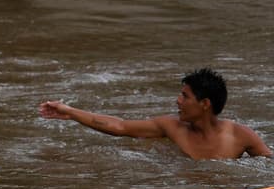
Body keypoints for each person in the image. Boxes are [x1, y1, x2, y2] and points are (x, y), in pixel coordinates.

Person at [38, 68, 271, 159]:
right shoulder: (171, 127)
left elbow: (270, 166)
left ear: (205, 104)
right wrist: (70, 112)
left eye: (185, 96)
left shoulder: (242, 136)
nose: (177, 101)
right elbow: (119, 127)